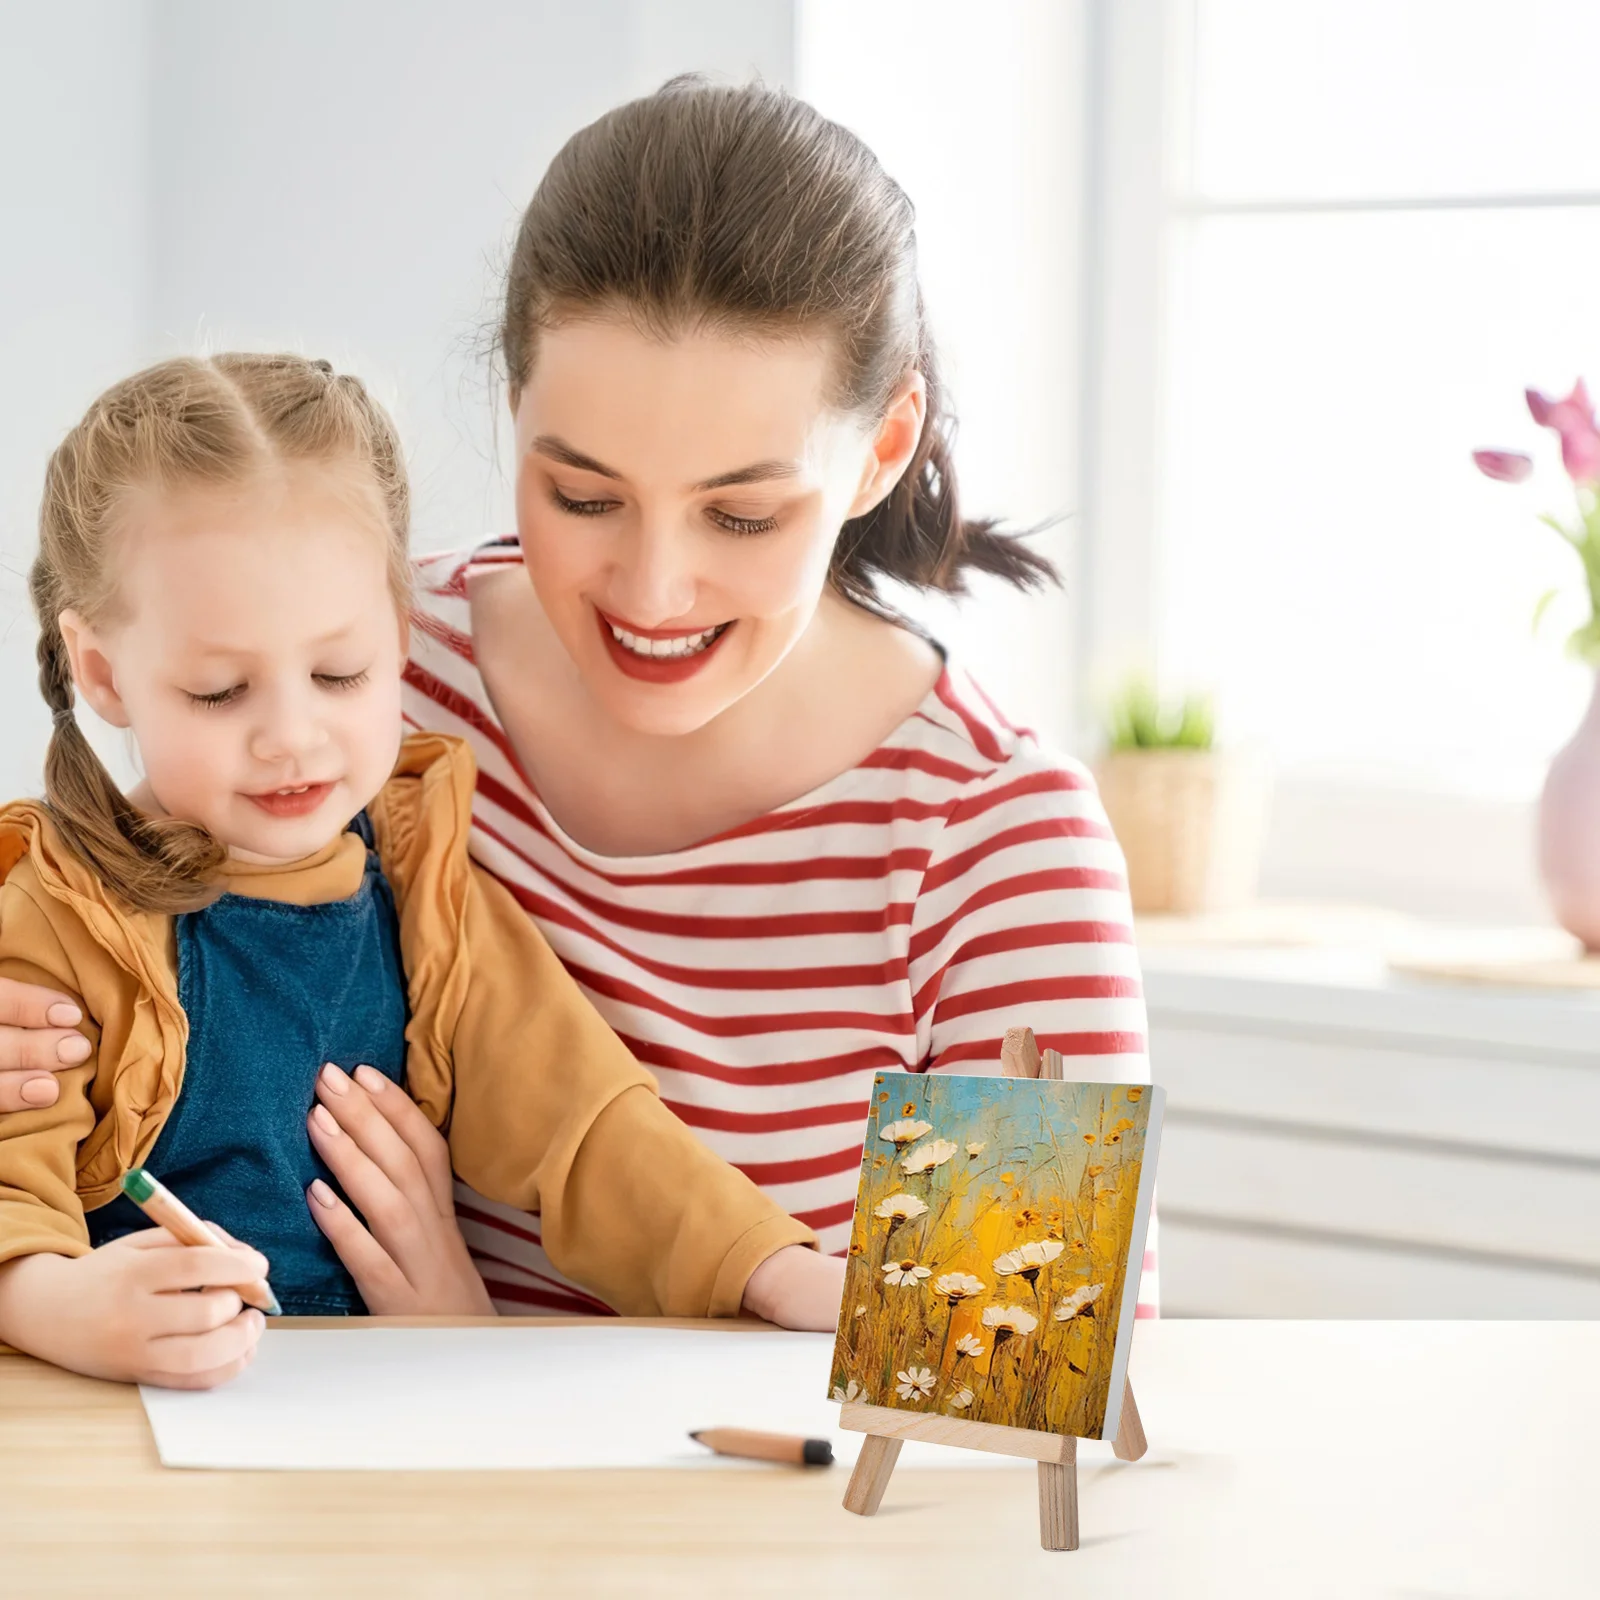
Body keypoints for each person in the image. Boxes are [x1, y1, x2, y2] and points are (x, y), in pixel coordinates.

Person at [0, 80, 1157, 1319]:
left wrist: (463, 1342)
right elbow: (107, 901)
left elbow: (1013, 1394)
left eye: (742, 514)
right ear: (517, 415)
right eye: (584, 497)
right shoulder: (373, 681)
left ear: (880, 447)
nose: (653, 592)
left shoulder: (996, 845)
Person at [0, 352, 834, 1389]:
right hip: (126, 1426)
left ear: (399, 636)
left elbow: (582, 1121)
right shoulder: (60, 910)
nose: (290, 738)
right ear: (102, 673)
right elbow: (13, 1173)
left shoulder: (424, 888)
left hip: (369, 1424)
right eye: (220, 691)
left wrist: (764, 1264)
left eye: (339, 673)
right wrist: (56, 1303)